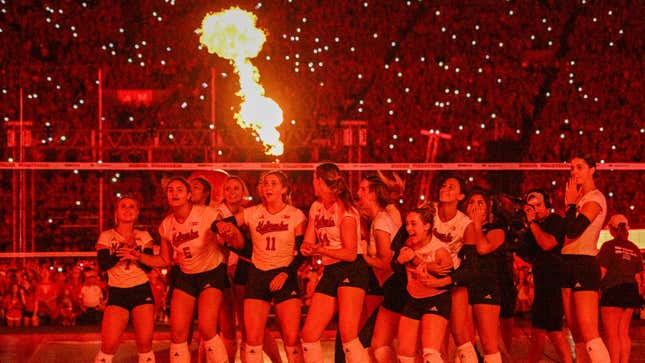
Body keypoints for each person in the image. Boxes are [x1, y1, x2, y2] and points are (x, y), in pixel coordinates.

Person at [119, 177, 236, 363]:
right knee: (178, 334)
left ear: (189, 195)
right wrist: (138, 256)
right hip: (186, 275)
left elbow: (222, 230)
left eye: (180, 190)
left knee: (207, 327)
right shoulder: (166, 225)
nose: (174, 193)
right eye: (171, 190)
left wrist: (224, 229)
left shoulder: (207, 213)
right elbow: (165, 260)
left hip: (211, 272)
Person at [219, 170, 306, 363]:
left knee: (291, 339)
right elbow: (222, 225)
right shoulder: (252, 212)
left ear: (284, 189)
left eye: (274, 184)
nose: (268, 188)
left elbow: (302, 253)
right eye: (266, 184)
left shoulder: (295, 215)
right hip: (258, 274)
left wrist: (286, 273)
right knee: (252, 340)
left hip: (285, 275)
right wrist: (223, 229)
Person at [300, 162, 370, 363]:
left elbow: (350, 253)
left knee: (348, 335)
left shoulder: (346, 211)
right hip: (331, 270)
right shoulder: (316, 207)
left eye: (314, 178)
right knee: (309, 333)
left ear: (320, 181)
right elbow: (309, 239)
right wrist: (307, 247)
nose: (312, 183)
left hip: (351, 268)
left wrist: (321, 249)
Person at [94, 195, 156, 363]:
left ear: (137, 213)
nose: (127, 209)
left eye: (131, 206)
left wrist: (136, 255)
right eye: (123, 206)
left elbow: (149, 266)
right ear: (116, 212)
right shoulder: (106, 236)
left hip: (141, 291)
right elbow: (104, 264)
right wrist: (122, 248)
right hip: (117, 292)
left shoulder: (144, 236)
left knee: (145, 344)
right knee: (108, 346)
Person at [561, 154, 610, 363]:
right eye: (572, 168)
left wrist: (570, 206)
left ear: (592, 169)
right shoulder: (579, 199)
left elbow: (573, 230)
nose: (574, 172)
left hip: (584, 262)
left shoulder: (595, 198)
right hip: (568, 263)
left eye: (580, 167)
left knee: (589, 332)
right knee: (576, 333)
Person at [395, 203, 453, 363]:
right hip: (413, 300)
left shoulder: (440, 250)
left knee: (430, 354)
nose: (408, 228)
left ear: (427, 226)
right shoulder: (407, 246)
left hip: (435, 300)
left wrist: (430, 278)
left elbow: (450, 281)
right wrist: (399, 262)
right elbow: (395, 265)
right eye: (407, 224)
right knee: (404, 356)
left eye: (414, 224)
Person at [519, 189, 573, 363]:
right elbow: (524, 253)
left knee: (553, 329)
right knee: (540, 330)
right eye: (531, 207)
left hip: (555, 280)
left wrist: (532, 224)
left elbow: (547, 244)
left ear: (547, 205)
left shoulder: (556, 221)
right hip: (541, 282)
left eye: (538, 205)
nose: (534, 210)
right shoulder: (531, 227)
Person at [190, 176, 237, 363]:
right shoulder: (181, 215)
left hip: (224, 269)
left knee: (226, 325)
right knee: (205, 328)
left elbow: (229, 240)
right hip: (199, 271)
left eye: (196, 187)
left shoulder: (218, 213)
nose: (191, 190)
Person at [356, 175, 400, 363]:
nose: (358, 193)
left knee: (372, 344)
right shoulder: (378, 220)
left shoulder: (382, 222)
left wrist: (361, 257)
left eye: (363, 189)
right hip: (390, 288)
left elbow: (388, 262)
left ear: (374, 195)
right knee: (378, 345)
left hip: (396, 287)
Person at [463, 189, 507, 363]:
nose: (475, 206)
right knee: (466, 344)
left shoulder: (496, 229)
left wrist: (476, 225)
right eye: (471, 202)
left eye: (480, 203)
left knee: (489, 343)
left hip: (486, 286)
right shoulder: (462, 229)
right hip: (465, 286)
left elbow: (483, 248)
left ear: (488, 209)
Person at [597, 214, 643, 363]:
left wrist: (595, 290)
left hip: (614, 290)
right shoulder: (635, 248)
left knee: (612, 334)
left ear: (611, 229)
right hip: (631, 291)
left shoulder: (608, 246)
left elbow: (601, 273)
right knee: (623, 333)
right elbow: (638, 279)